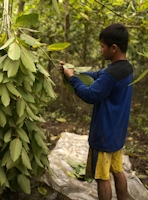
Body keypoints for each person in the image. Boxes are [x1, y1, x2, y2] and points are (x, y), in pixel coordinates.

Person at [59, 23, 132, 200]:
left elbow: (90, 95)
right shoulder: (126, 68)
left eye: (102, 46)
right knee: (118, 170)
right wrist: (75, 71)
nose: (100, 50)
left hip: (104, 134)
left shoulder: (110, 74)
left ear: (113, 48)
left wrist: (72, 78)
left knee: (102, 177)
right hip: (117, 132)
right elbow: (98, 75)